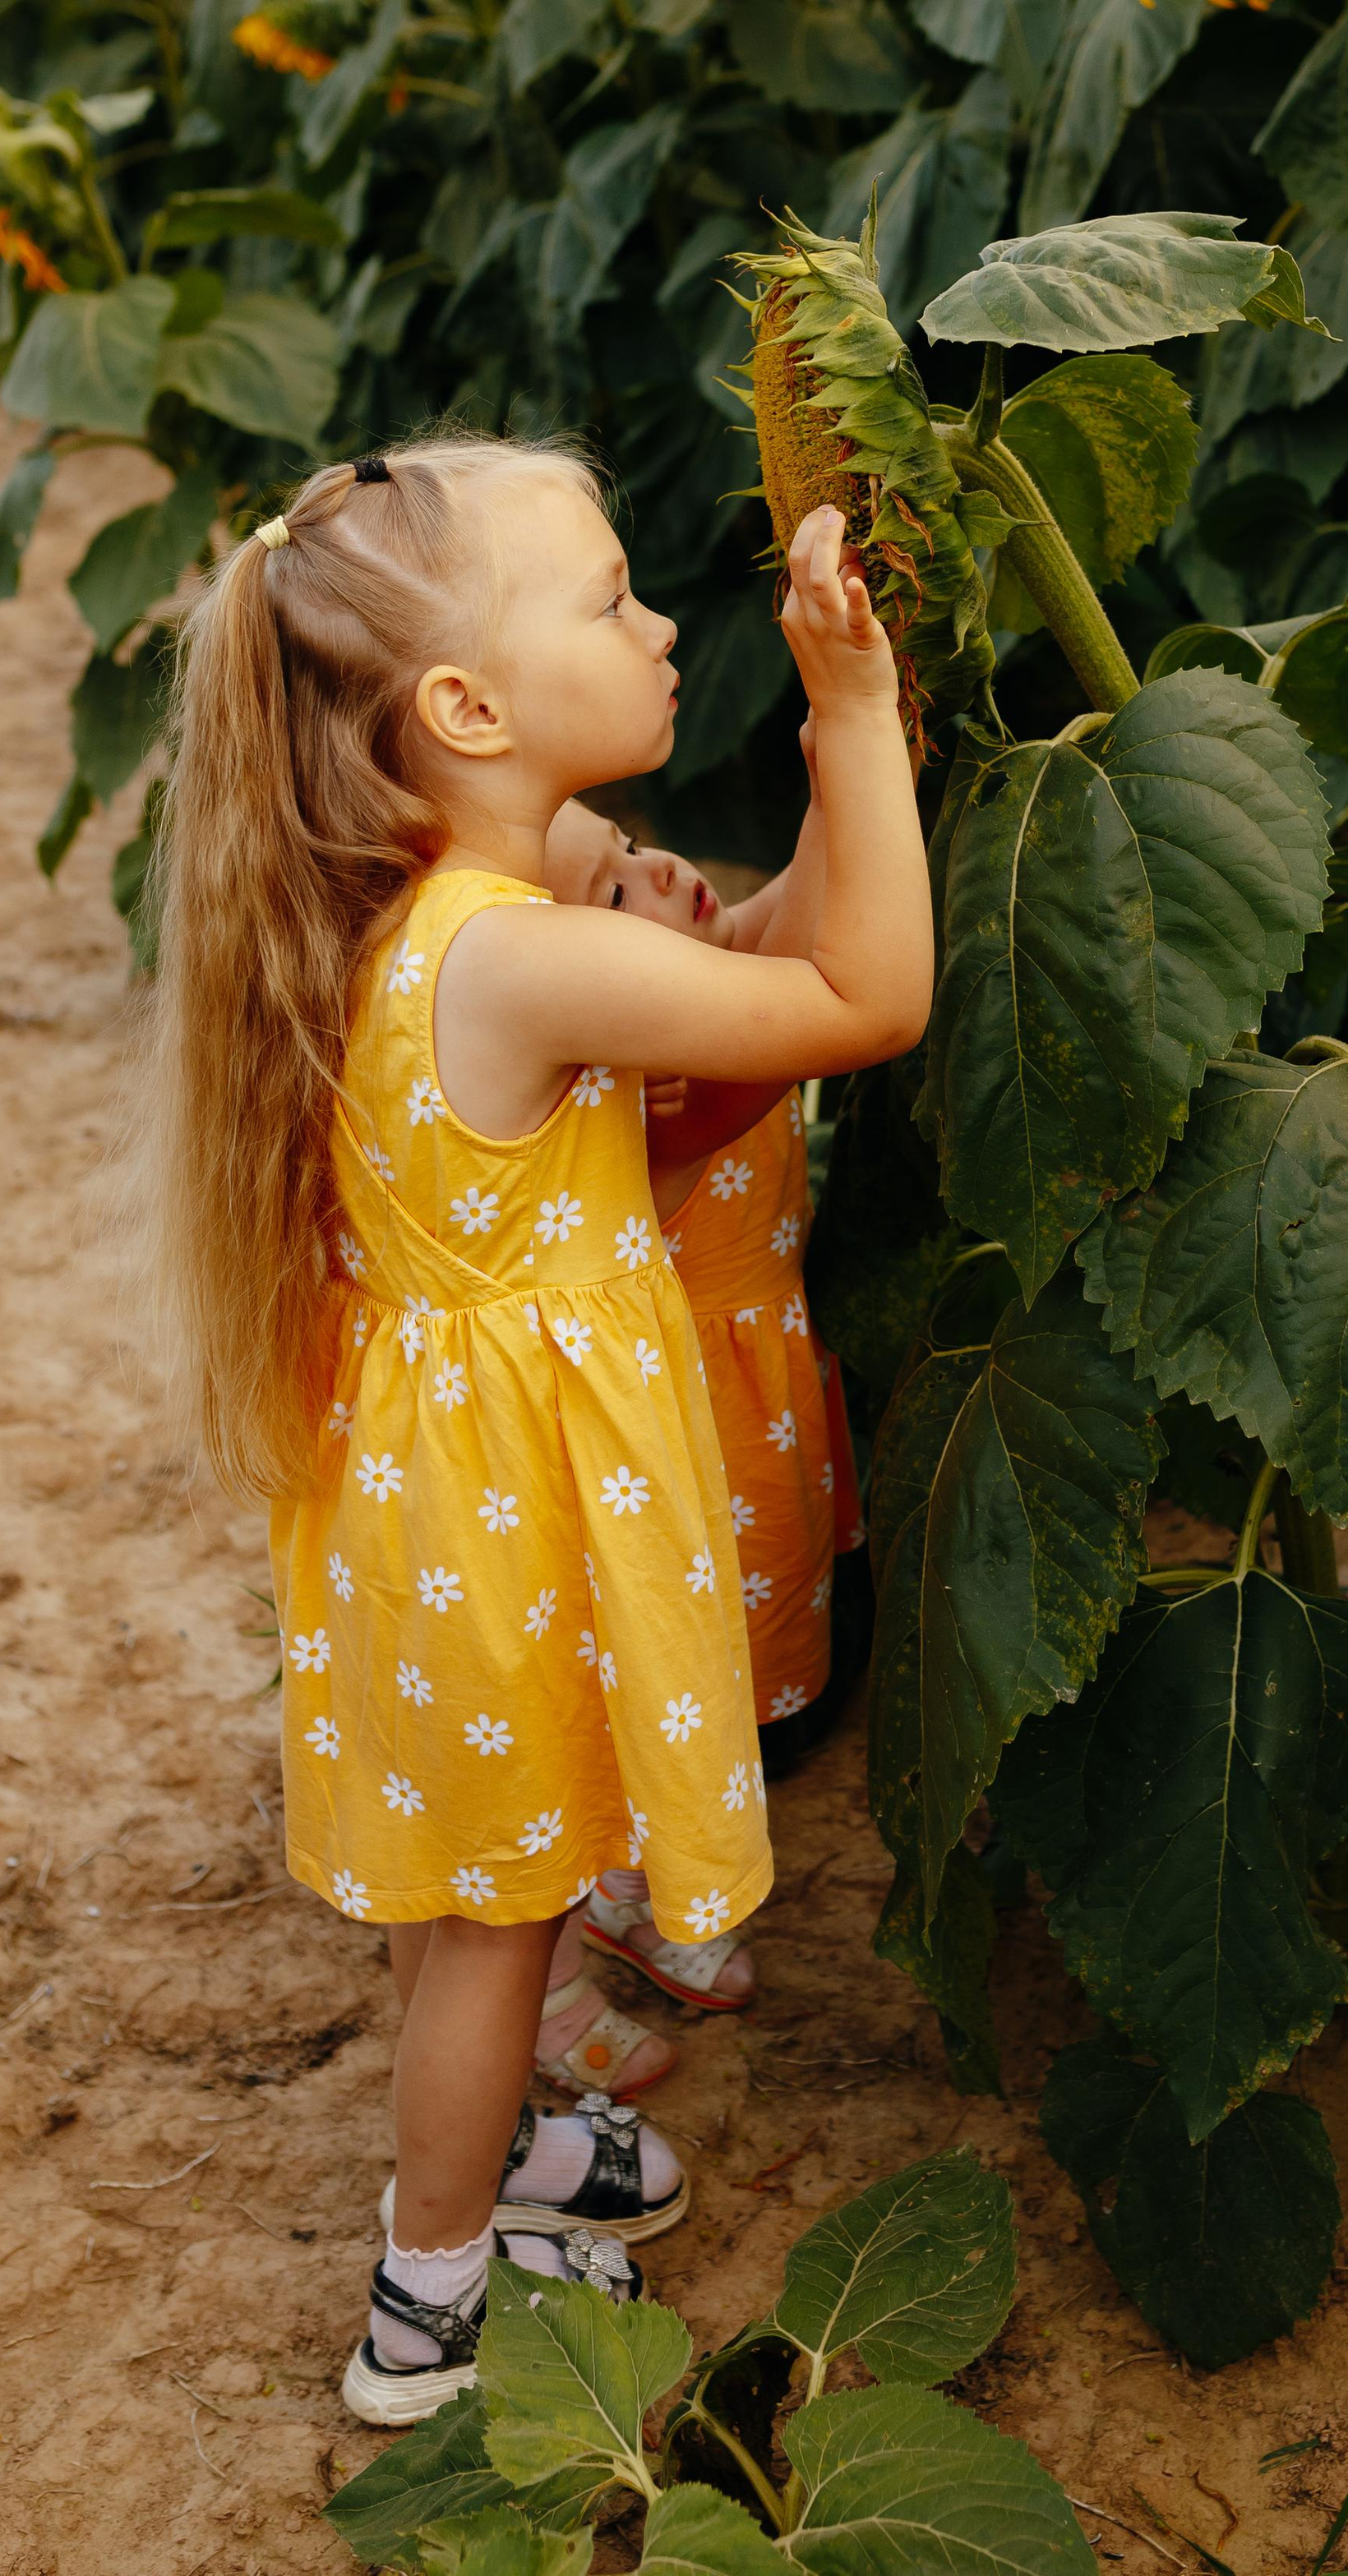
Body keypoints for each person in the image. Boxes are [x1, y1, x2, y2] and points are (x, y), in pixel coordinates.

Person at [146, 438, 929, 2424]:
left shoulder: (418, 918)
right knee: (498, 1920)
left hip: (423, 1504)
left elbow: (755, 953)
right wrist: (853, 709)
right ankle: (430, 2300)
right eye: (605, 599)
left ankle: (491, 2164)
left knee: (458, 1887)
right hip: (501, 1523)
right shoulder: (518, 956)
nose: (659, 624)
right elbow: (860, 992)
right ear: (470, 711)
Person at [530, 798, 868, 2100]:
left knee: (704, 1682)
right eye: (614, 896)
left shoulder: (698, 998)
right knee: (617, 1718)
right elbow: (834, 976)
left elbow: (798, 893)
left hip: (754, 1410)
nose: (663, 868)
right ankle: (553, 1996)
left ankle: (638, 1898)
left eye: (630, 849)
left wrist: (844, 744)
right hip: (678, 1447)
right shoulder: (663, 1089)